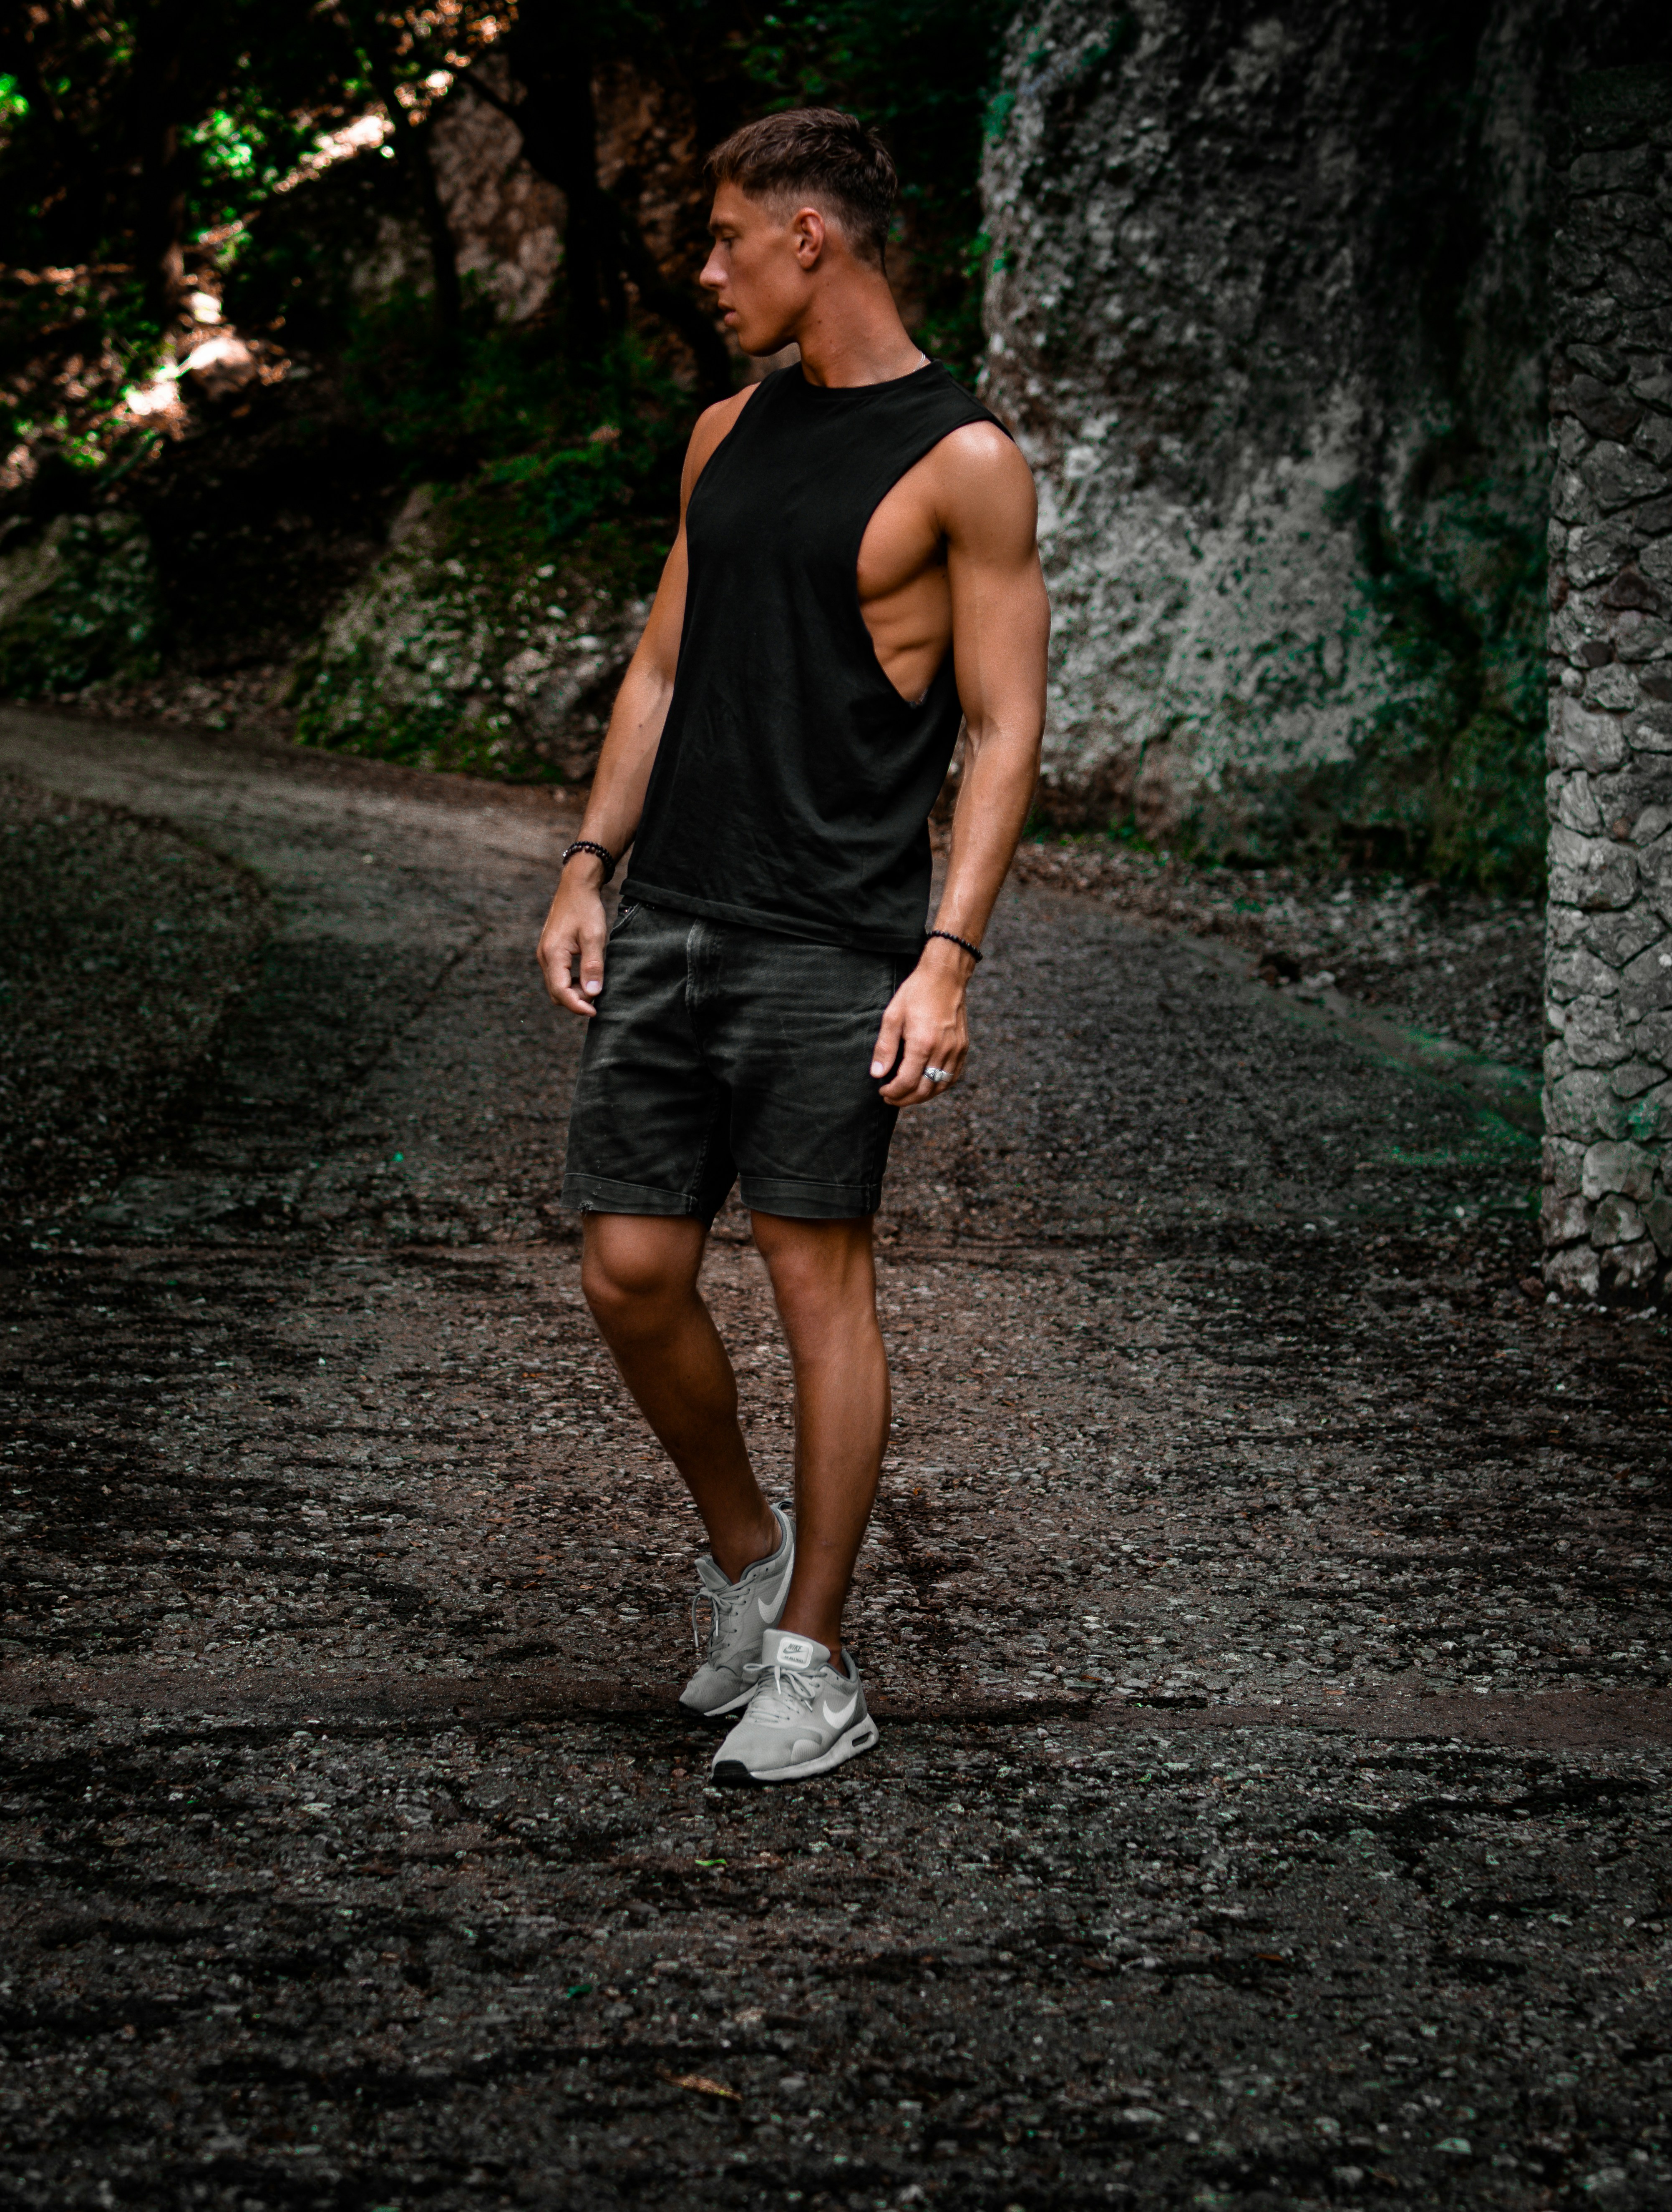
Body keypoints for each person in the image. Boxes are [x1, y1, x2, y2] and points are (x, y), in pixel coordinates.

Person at [534, 107, 1048, 1787]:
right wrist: (588, 863)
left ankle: (817, 1662)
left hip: (834, 937)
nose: (706, 269)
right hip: (672, 914)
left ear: (808, 238)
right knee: (628, 1271)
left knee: (819, 1286)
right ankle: (749, 1562)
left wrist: (946, 957)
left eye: (726, 238)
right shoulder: (723, 435)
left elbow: (1004, 725)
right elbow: (660, 668)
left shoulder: (964, 463)